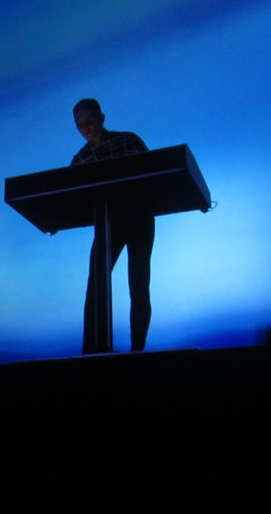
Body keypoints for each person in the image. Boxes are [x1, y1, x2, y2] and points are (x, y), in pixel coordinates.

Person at [70, 98, 155, 352]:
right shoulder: (81, 159)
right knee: (95, 285)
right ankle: (92, 350)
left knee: (139, 284)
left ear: (101, 118)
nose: (85, 128)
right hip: (108, 224)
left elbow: (155, 173)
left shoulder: (129, 141)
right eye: (79, 124)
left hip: (140, 218)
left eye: (89, 121)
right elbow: (69, 194)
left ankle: (137, 349)